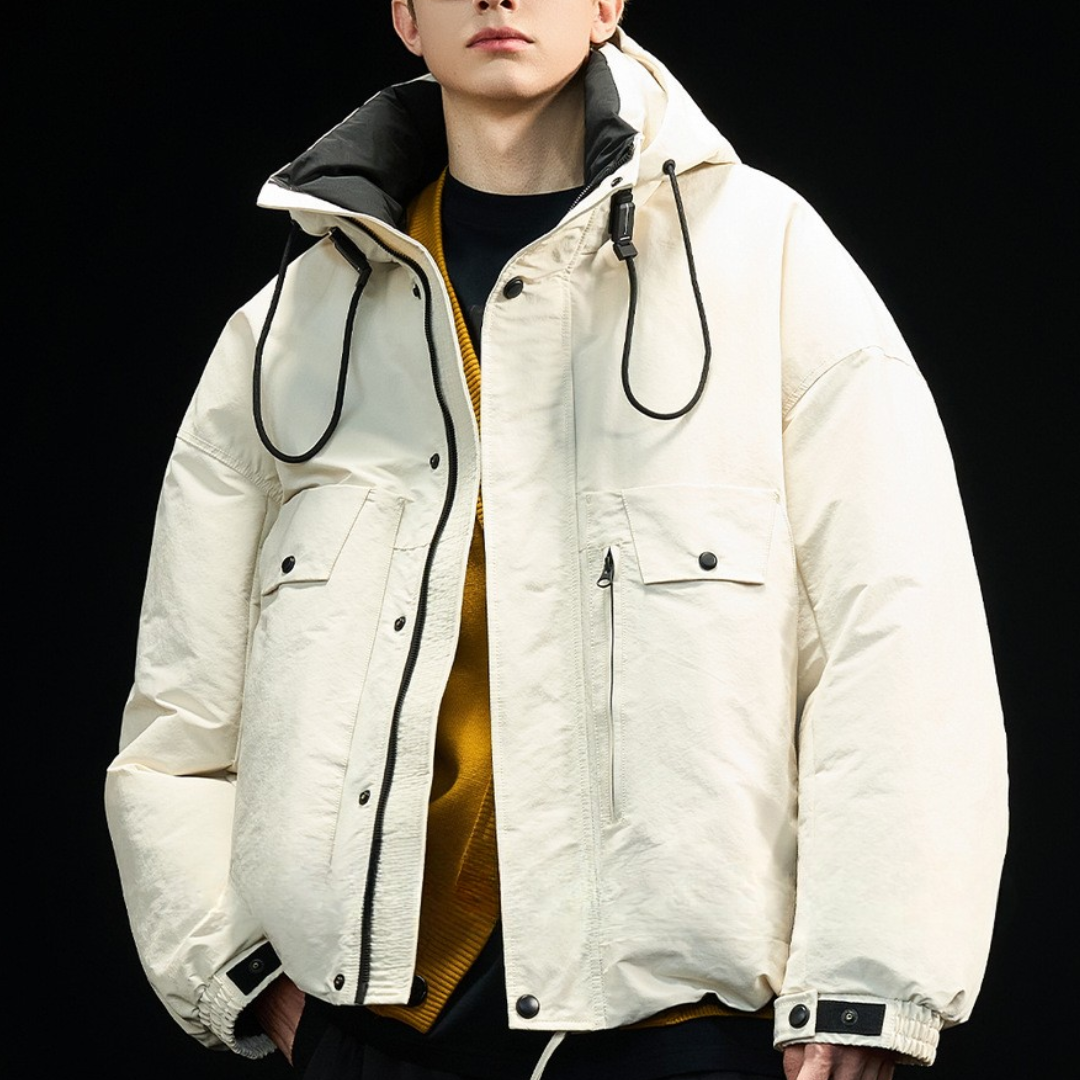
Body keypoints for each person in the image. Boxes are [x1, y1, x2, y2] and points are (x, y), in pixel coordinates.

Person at [105, 2, 1008, 1079]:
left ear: (607, 5)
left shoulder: (766, 261)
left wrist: (866, 980)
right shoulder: (289, 328)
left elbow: (901, 634)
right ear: (406, 16)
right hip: (369, 1035)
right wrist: (243, 972)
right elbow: (182, 705)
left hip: (681, 1043)